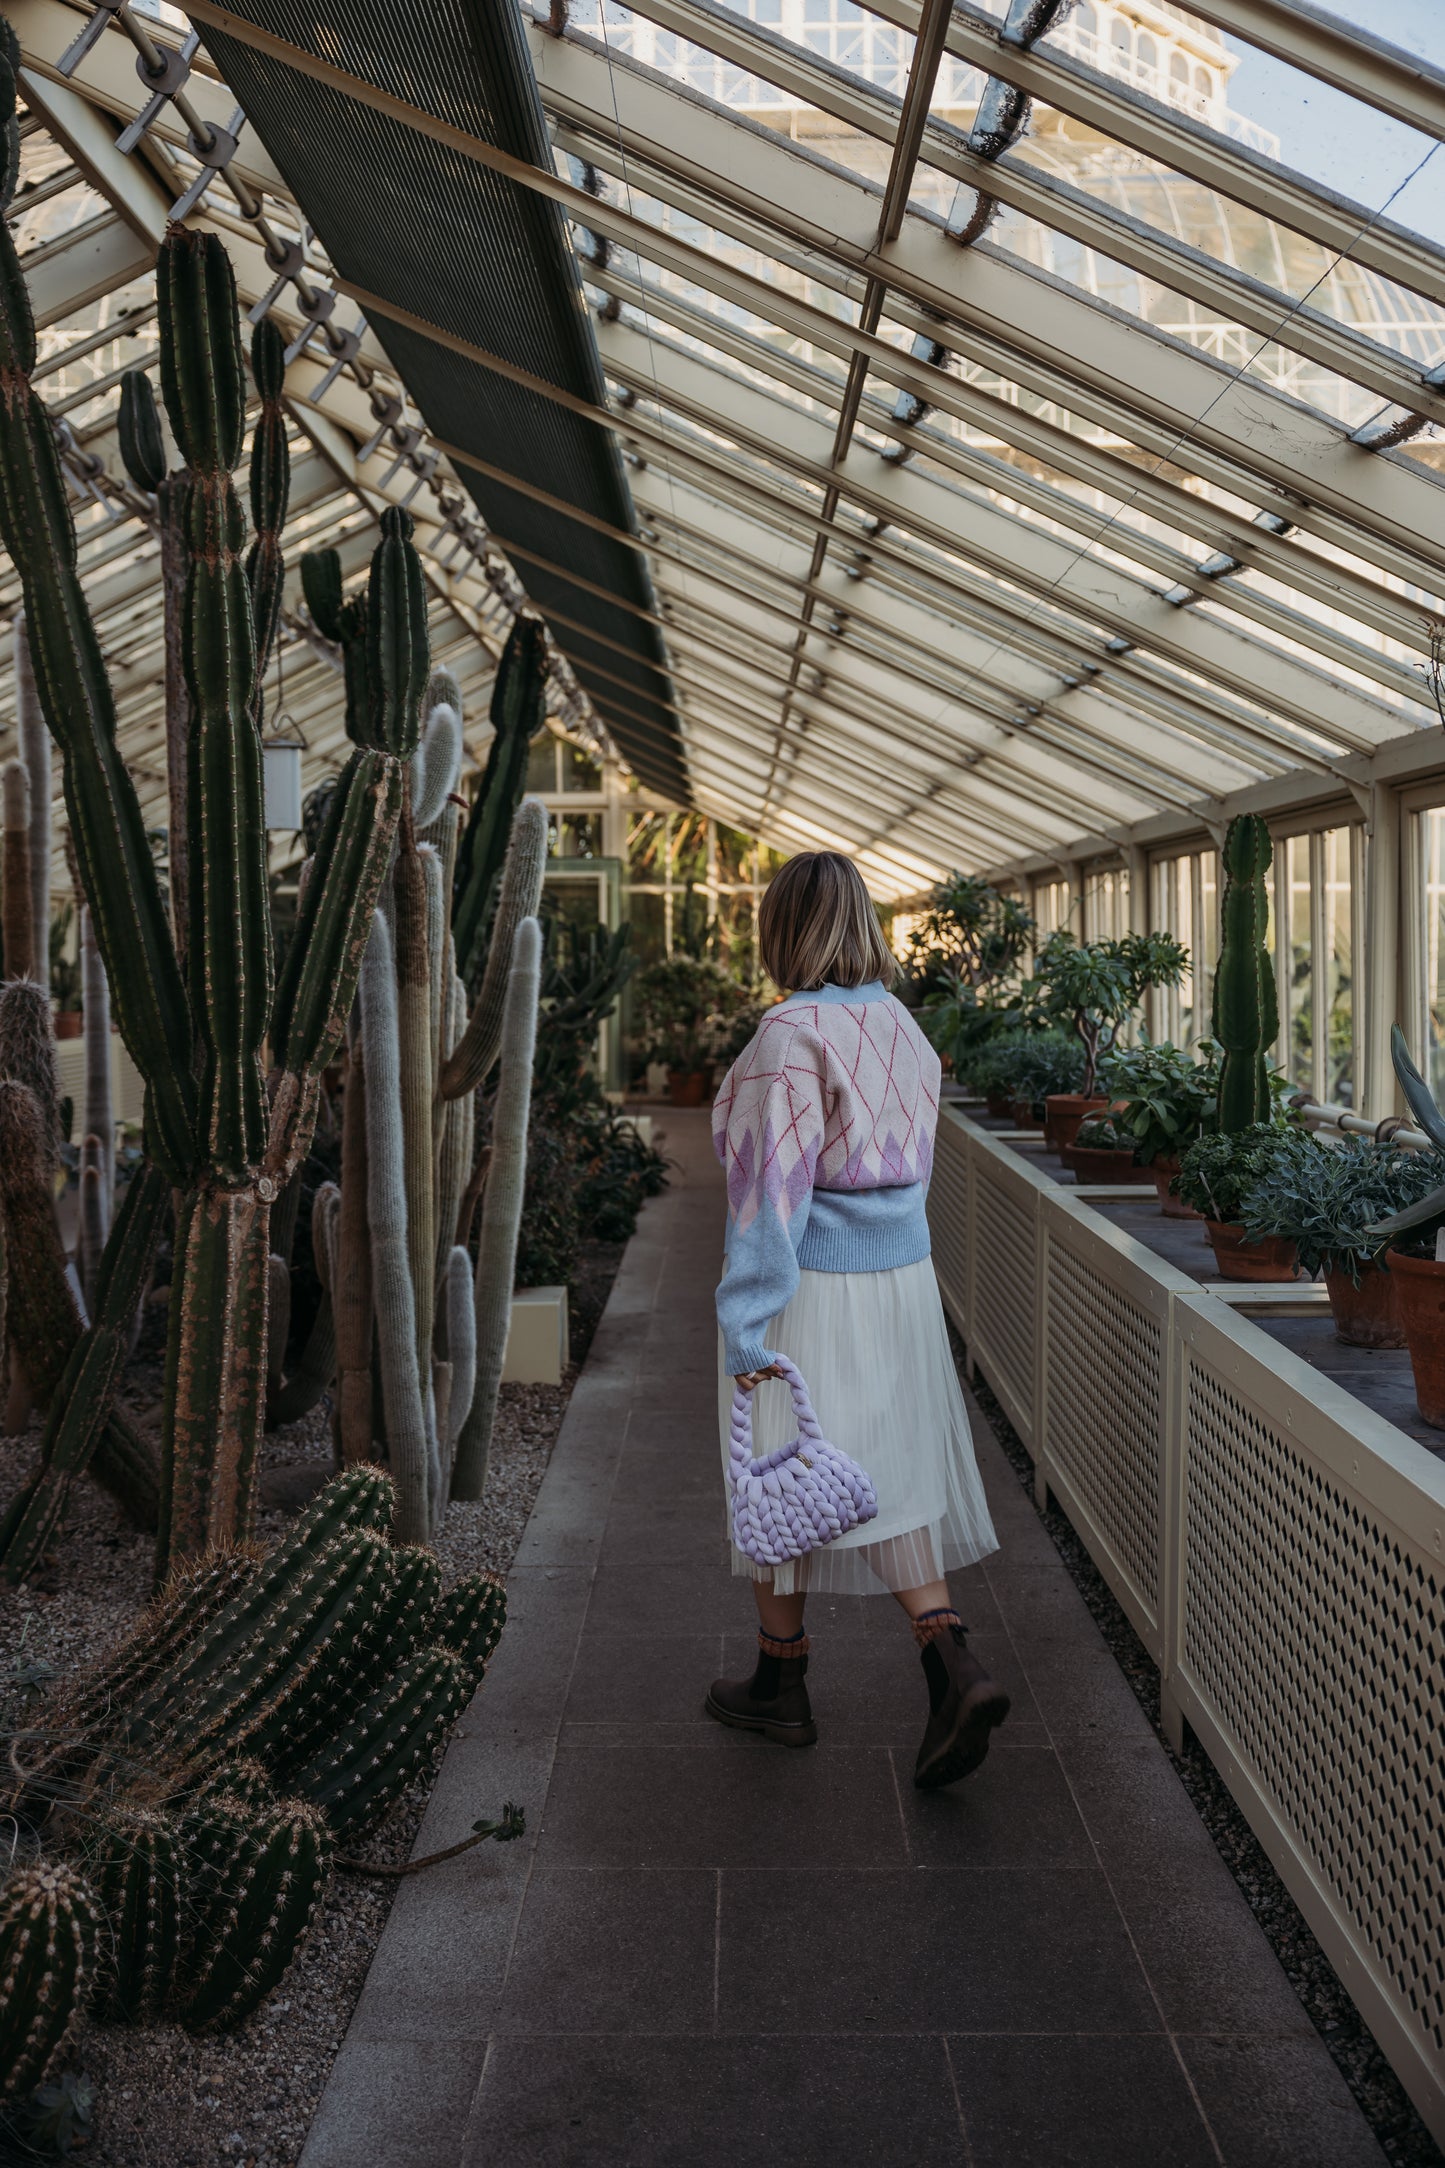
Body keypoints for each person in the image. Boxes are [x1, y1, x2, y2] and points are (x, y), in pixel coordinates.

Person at [707, 850, 1008, 1788]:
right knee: (884, 1468)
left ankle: (780, 1686)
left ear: (782, 929)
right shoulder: (901, 1027)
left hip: (816, 1288)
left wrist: (747, 1321)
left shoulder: (788, 1034)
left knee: (780, 1468)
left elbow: (770, 1191)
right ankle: (947, 1656)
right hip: (903, 1285)